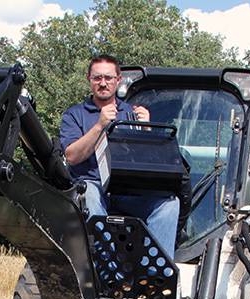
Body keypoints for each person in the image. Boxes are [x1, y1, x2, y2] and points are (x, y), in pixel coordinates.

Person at [59, 54, 181, 259]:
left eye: (108, 78)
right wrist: (100, 125)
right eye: (97, 78)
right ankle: (108, 269)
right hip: (92, 185)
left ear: (118, 79)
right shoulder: (74, 115)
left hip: (126, 191)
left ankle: (153, 277)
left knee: (169, 204)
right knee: (89, 194)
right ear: (89, 79)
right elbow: (71, 156)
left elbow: (146, 162)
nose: (103, 83)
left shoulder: (132, 113)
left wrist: (147, 130)